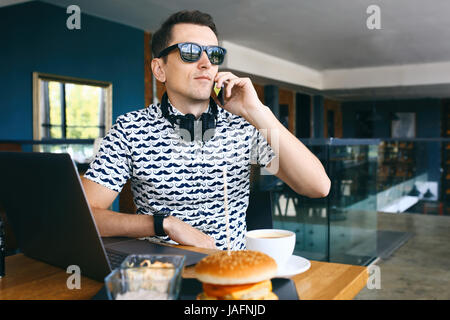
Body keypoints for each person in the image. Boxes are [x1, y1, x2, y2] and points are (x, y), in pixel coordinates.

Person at [81, 10, 330, 250]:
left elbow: (318, 186)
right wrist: (162, 223)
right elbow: (85, 215)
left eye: (214, 54)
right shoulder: (130, 129)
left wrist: (258, 112)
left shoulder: (244, 125)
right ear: (159, 69)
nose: (206, 63)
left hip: (232, 273)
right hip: (164, 276)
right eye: (190, 52)